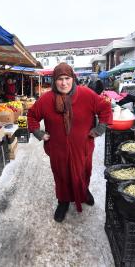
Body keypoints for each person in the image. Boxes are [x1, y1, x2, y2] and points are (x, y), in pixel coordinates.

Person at [27, 63, 112, 222]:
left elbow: (105, 108)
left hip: (83, 147)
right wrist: (38, 132)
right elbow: (30, 116)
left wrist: (100, 128)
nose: (64, 83)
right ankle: (63, 201)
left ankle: (83, 192)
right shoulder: (46, 99)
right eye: (60, 79)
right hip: (58, 149)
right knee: (61, 175)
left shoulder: (86, 94)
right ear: (54, 81)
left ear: (73, 79)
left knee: (83, 171)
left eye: (67, 78)